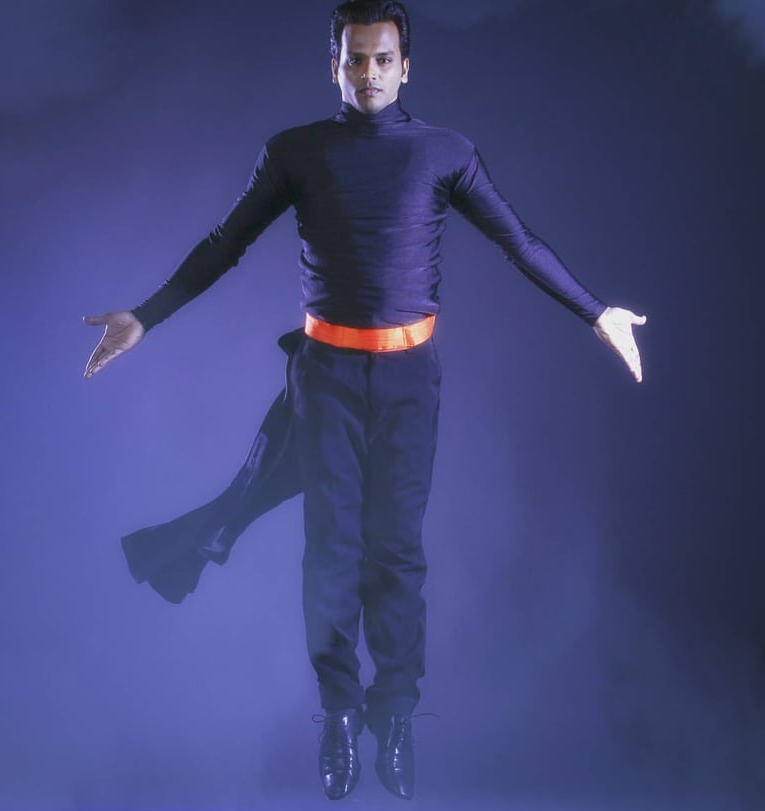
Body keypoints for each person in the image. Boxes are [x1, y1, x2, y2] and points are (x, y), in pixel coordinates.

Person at [83, 0, 646, 801]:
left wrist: (596, 312)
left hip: (411, 379)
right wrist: (145, 316)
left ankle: (397, 713)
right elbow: (224, 243)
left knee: (397, 553)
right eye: (355, 60)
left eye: (383, 60)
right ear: (335, 66)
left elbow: (518, 240)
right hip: (327, 378)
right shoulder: (296, 151)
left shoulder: (446, 152)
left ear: (405, 67)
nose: (370, 74)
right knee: (332, 551)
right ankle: (341, 713)